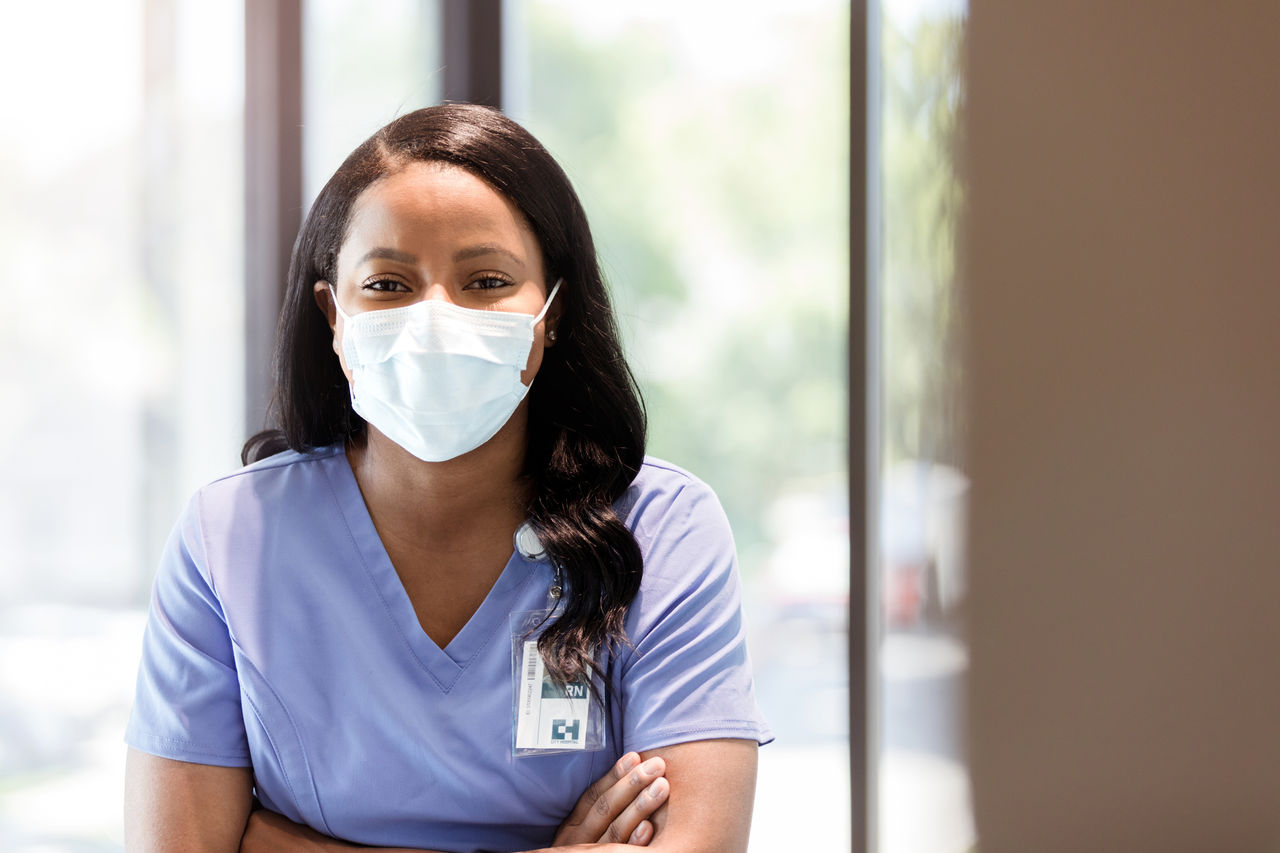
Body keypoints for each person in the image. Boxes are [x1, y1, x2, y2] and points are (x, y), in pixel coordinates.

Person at [123, 104, 771, 853]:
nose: (435, 318)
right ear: (335, 317)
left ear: (552, 313)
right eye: (390, 285)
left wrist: (272, 841)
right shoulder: (228, 539)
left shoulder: (663, 529)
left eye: (487, 280)